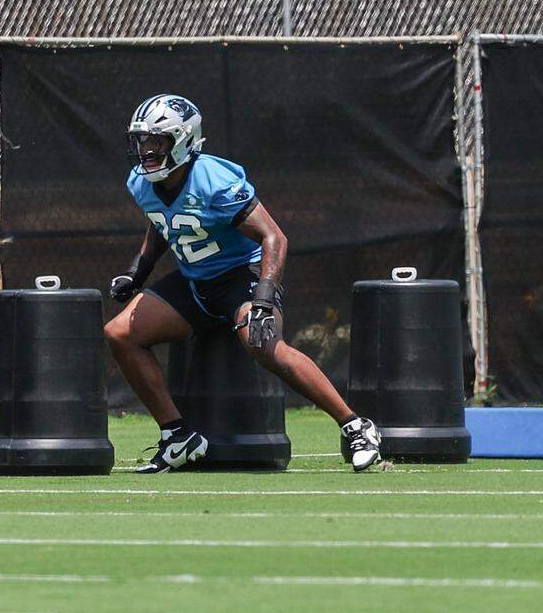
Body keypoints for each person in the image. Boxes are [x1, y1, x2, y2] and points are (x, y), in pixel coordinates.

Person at [103, 94, 383, 474]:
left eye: (156, 141)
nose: (146, 150)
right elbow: (161, 221)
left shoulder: (214, 180)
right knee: (120, 333)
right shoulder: (141, 181)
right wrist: (137, 271)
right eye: (141, 141)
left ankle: (355, 425)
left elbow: (274, 238)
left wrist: (264, 300)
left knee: (264, 344)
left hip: (240, 276)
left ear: (183, 140)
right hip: (194, 280)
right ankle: (178, 434)